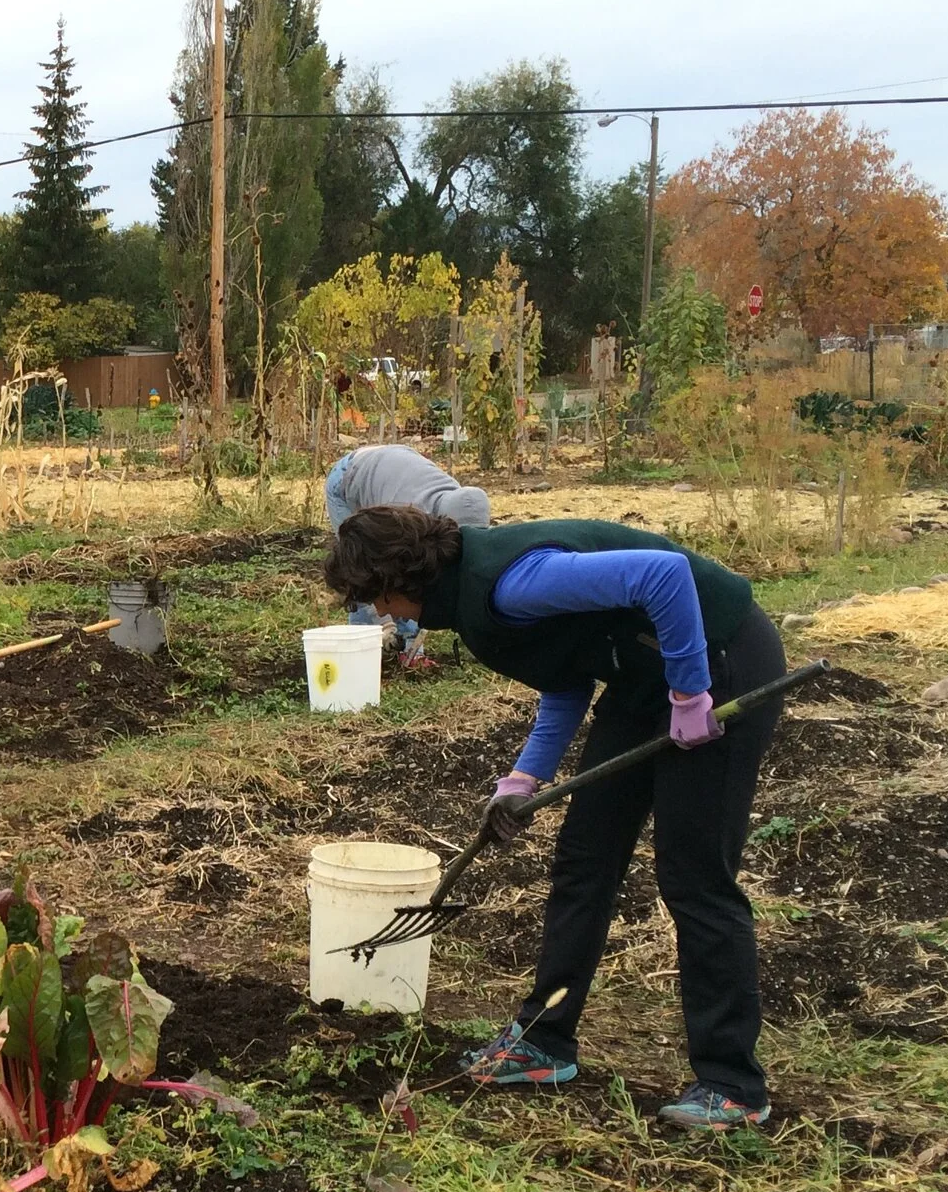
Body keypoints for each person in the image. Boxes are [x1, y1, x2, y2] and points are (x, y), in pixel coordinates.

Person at [321, 507, 788, 1130]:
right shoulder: (478, 606)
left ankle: (733, 1083)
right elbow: (564, 678)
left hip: (721, 657)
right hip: (641, 678)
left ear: (407, 575)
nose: (384, 613)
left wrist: (689, 691)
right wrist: (522, 779)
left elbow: (664, 575)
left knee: (694, 873)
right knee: (584, 860)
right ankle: (544, 1042)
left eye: (380, 596)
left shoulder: (515, 582)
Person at [323, 445, 493, 668]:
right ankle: (364, 653)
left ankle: (410, 652)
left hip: (393, 464)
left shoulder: (464, 502)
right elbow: (401, 572)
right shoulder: (403, 517)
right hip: (349, 475)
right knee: (361, 570)